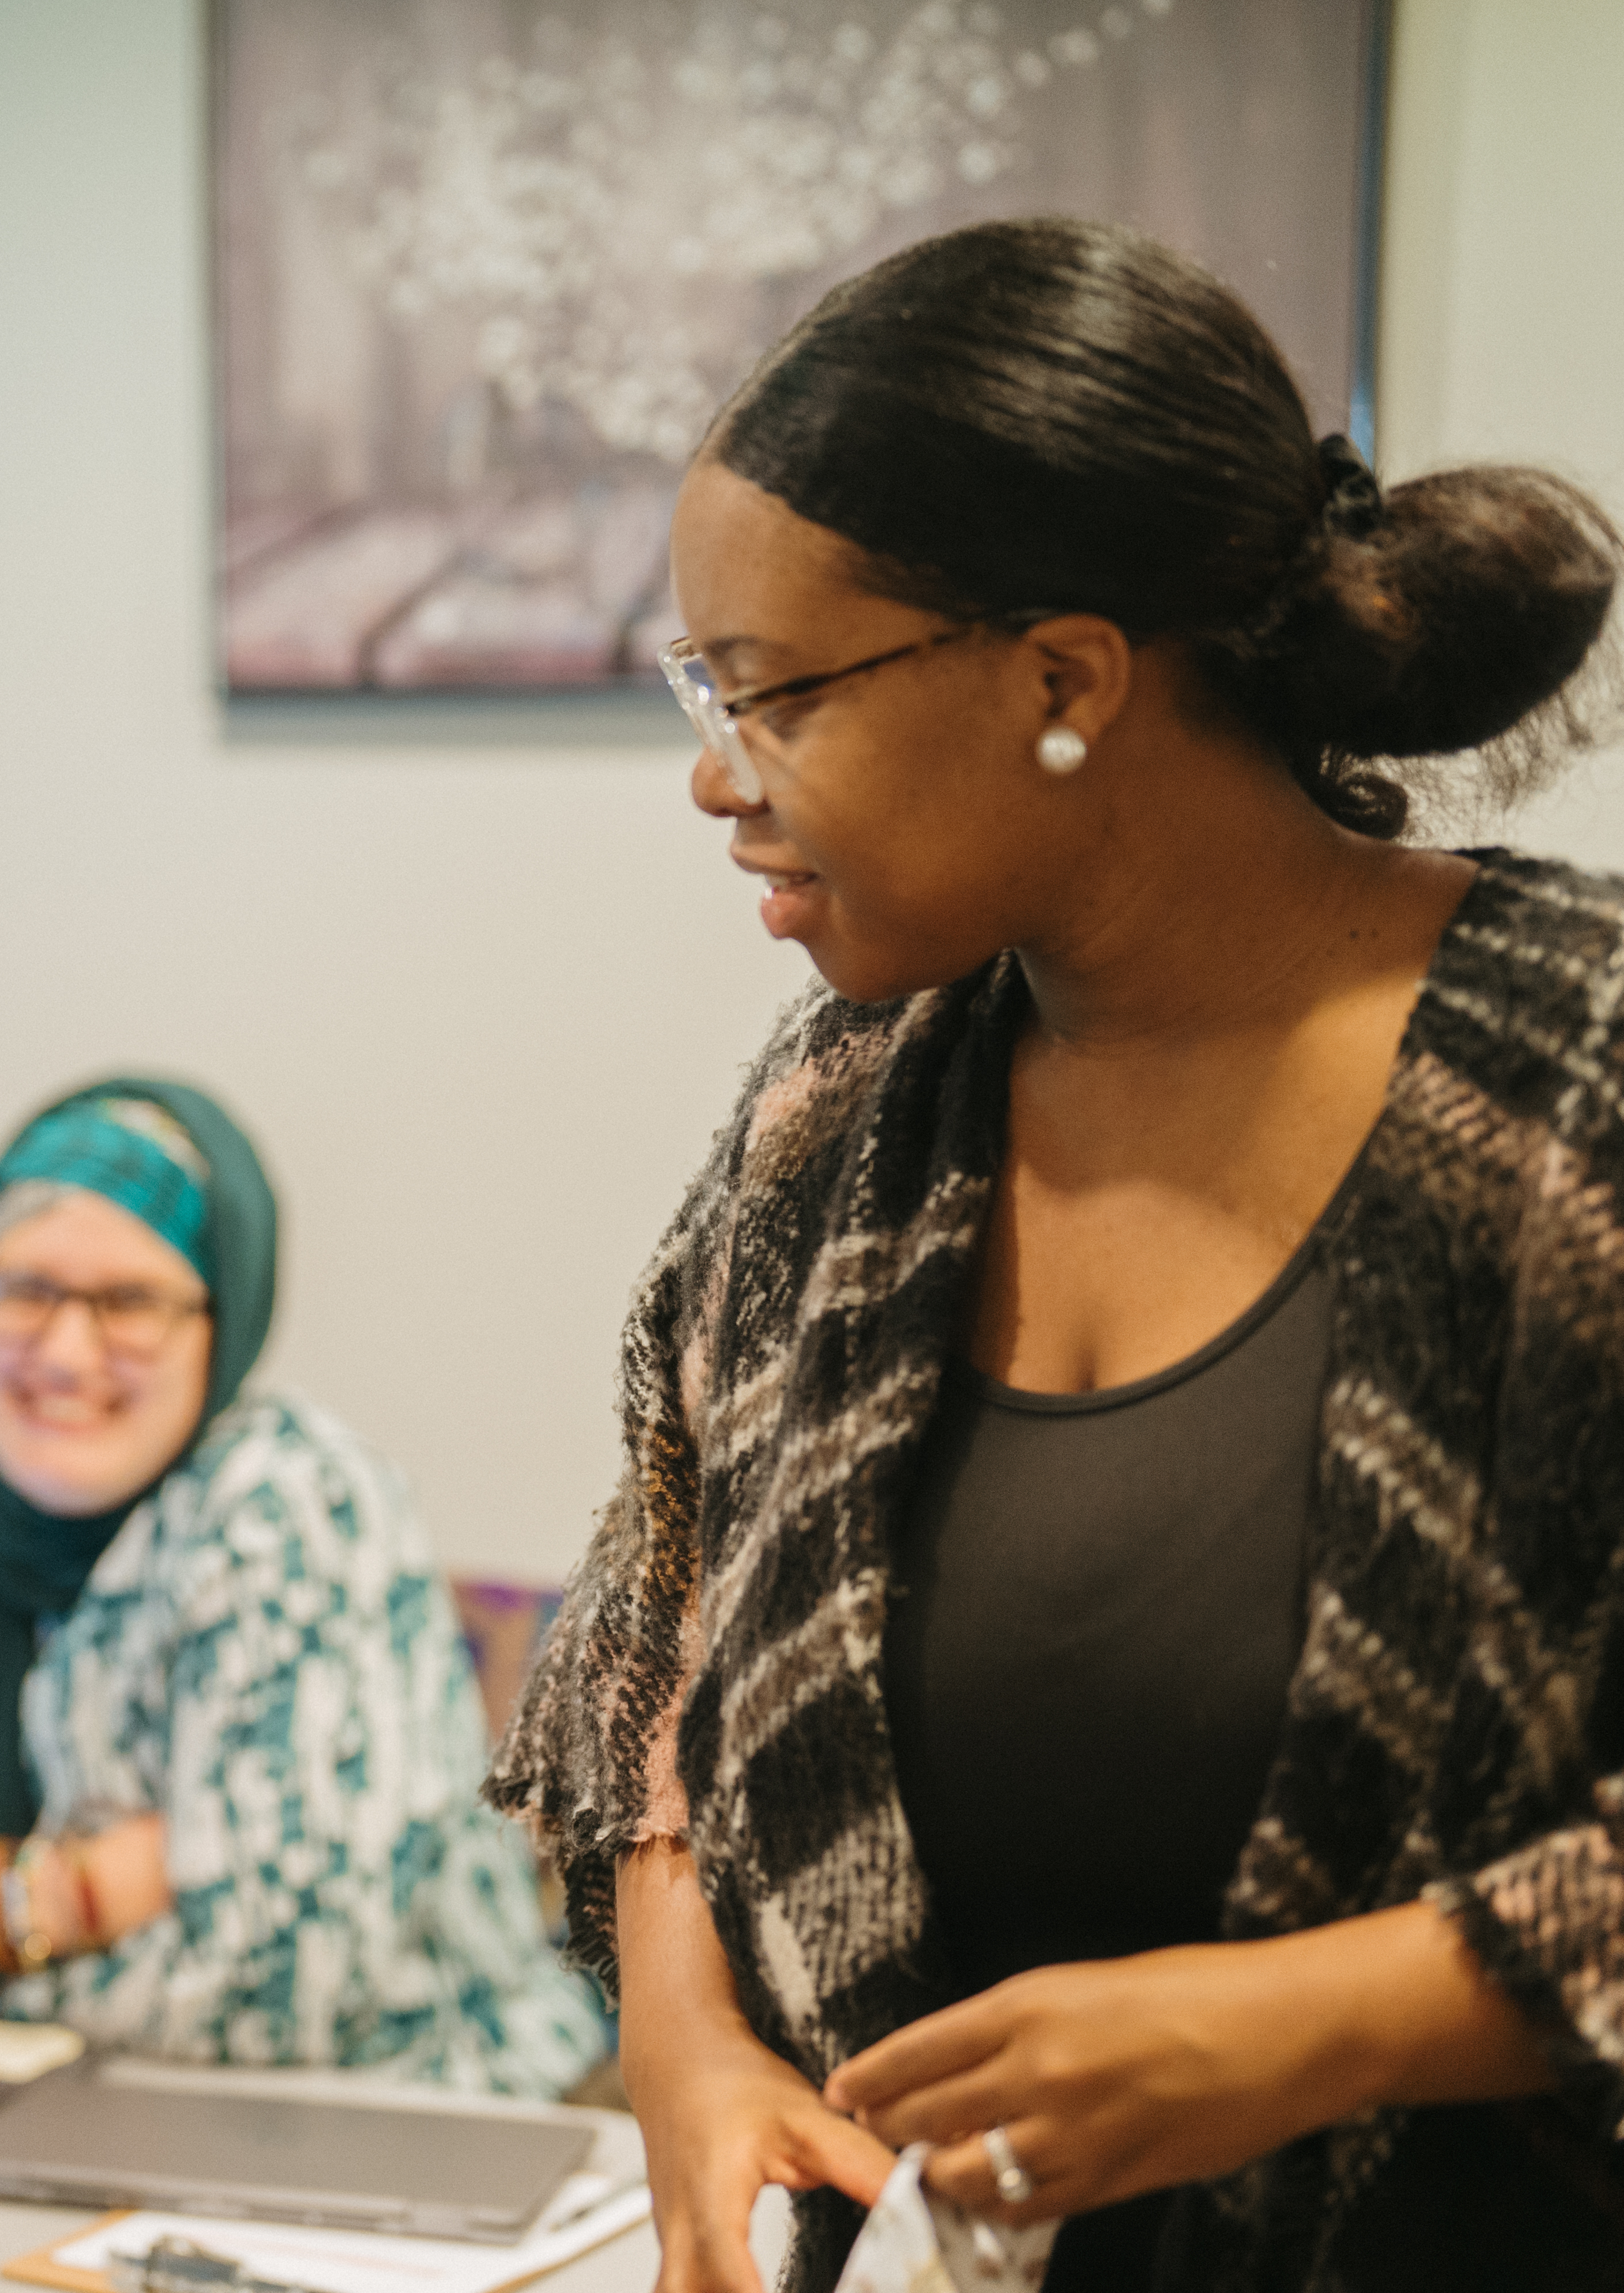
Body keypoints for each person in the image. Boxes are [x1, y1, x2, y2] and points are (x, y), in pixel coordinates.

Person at [486, 215, 1624, 2293]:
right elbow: (664, 1614)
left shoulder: (1584, 1097)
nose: (715, 779)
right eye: (703, 688)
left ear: (1065, 678)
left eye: (774, 693)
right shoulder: (838, 1120)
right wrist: (686, 2027)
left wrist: (1321, 2023)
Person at [0, 1078, 607, 2092]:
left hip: (395, 2112)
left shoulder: (295, 1501)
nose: (65, 1353)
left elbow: (280, 1986)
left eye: (129, 1302)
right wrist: (100, 1888)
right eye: (23, 1290)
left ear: (225, 1317)